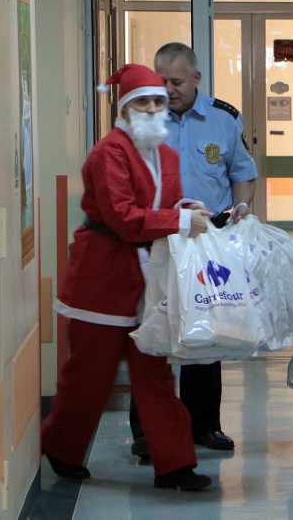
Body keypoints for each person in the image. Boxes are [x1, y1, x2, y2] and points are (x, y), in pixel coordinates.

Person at [41, 63, 213, 490]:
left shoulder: (166, 154)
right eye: (142, 102)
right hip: (101, 280)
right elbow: (122, 216)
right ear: (124, 109)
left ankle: (175, 464)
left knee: (154, 372)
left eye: (157, 100)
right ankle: (61, 448)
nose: (152, 107)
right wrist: (176, 221)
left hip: (147, 280)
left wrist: (186, 208)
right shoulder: (108, 153)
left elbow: (165, 204)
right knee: (88, 375)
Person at [129, 42, 258, 460]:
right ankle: (148, 431)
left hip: (206, 243)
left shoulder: (223, 120)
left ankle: (205, 425)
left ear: (197, 78)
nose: (168, 89)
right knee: (156, 334)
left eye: (177, 81)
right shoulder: (145, 121)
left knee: (206, 332)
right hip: (158, 242)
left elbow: (243, 174)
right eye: (161, 80)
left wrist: (241, 210)